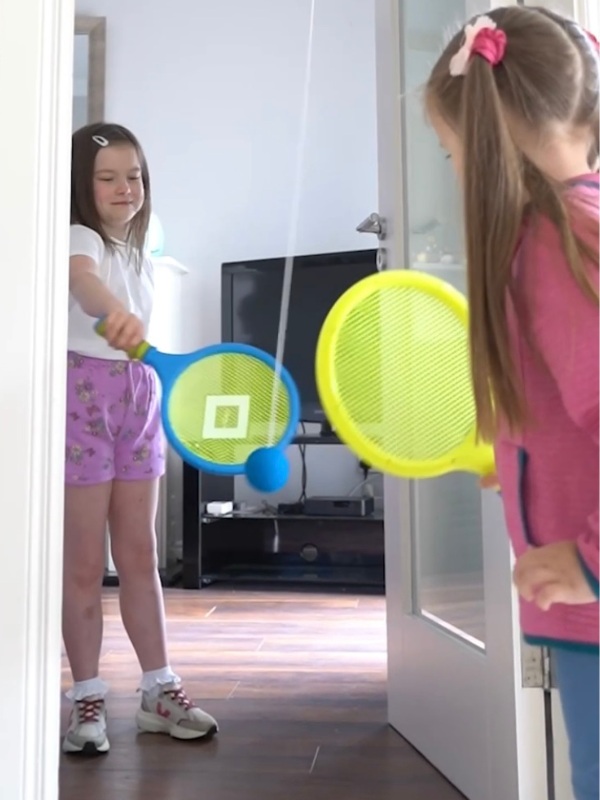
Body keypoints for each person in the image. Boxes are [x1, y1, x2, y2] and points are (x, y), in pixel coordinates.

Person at [425, 7, 599, 799]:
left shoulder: (559, 245)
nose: (454, 170)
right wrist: (521, 461)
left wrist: (590, 561)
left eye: (450, 150)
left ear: (487, 139)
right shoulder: (579, 222)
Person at [63, 122, 218, 755]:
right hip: (83, 397)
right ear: (82, 185)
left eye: (134, 176)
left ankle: (159, 689)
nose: (125, 187)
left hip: (139, 394)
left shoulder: (140, 249)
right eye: (107, 178)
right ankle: (87, 698)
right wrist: (111, 310)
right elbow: (81, 279)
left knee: (140, 556)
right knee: (83, 565)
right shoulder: (80, 236)